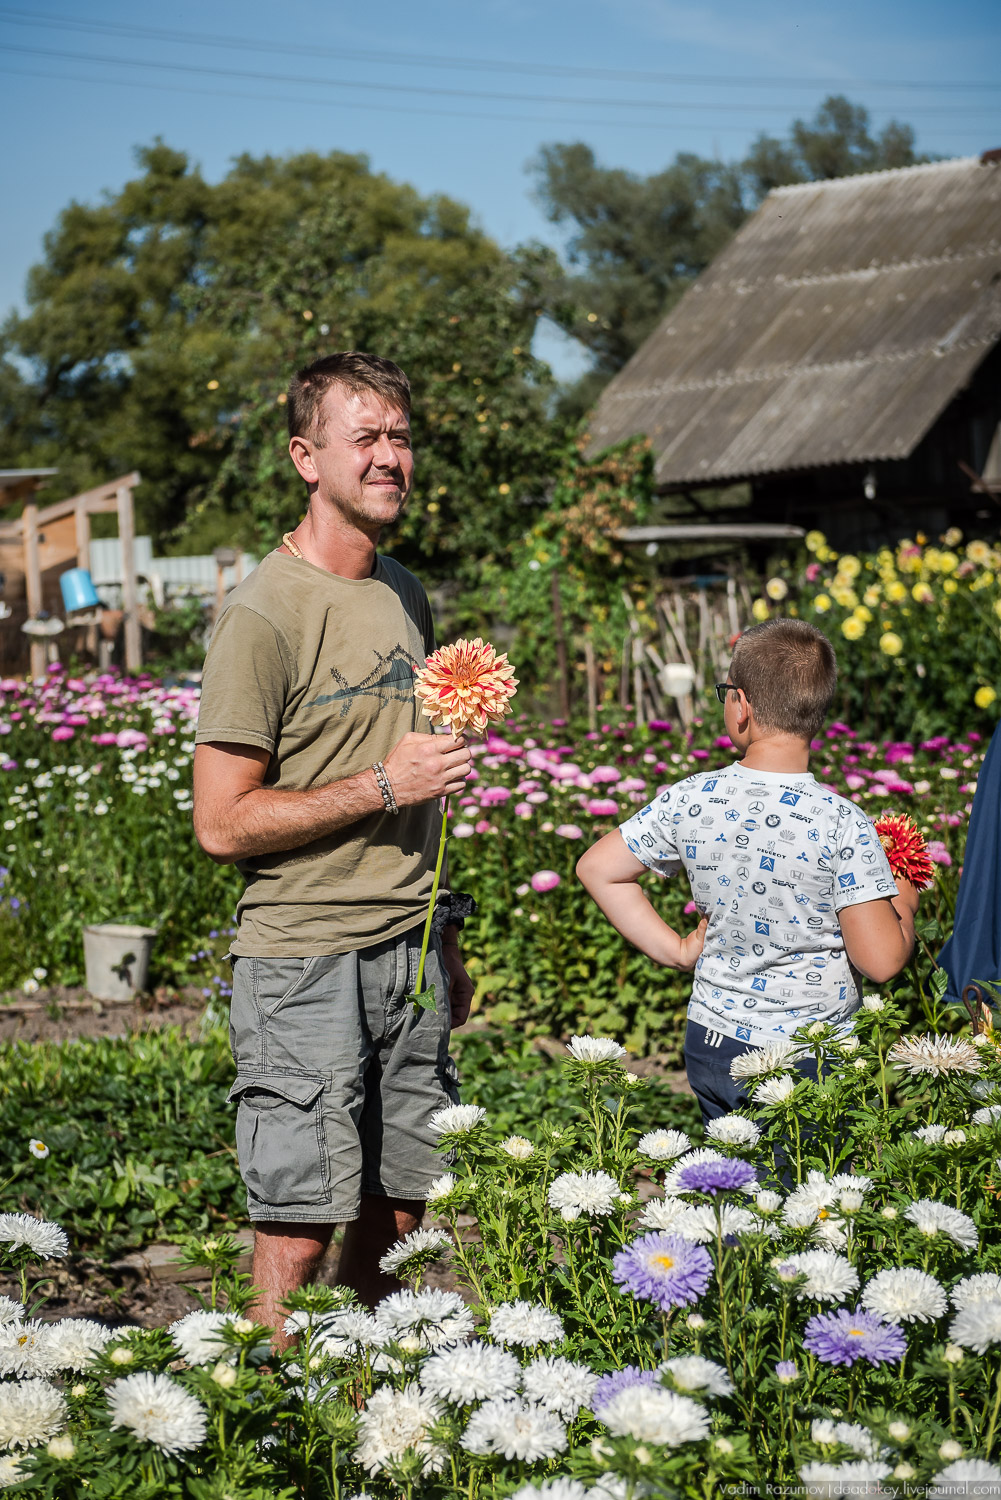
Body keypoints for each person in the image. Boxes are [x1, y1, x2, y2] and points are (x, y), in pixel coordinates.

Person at [192, 351, 473, 1339]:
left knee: (399, 1213)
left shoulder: (402, 591)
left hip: (411, 947)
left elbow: (417, 787)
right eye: (367, 438)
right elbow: (222, 822)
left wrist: (444, 937)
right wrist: (382, 786)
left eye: (400, 436)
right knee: (300, 1226)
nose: (390, 456)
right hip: (304, 951)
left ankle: (359, 1414)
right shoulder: (262, 613)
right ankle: (269, 1436)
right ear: (306, 458)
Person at [577, 618, 919, 1123]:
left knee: (735, 1186)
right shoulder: (842, 821)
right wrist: (905, 902)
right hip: (807, 1059)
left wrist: (675, 951)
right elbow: (883, 961)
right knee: (802, 1194)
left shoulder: (693, 796)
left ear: (741, 704)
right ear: (817, 713)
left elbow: (598, 868)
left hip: (712, 1040)